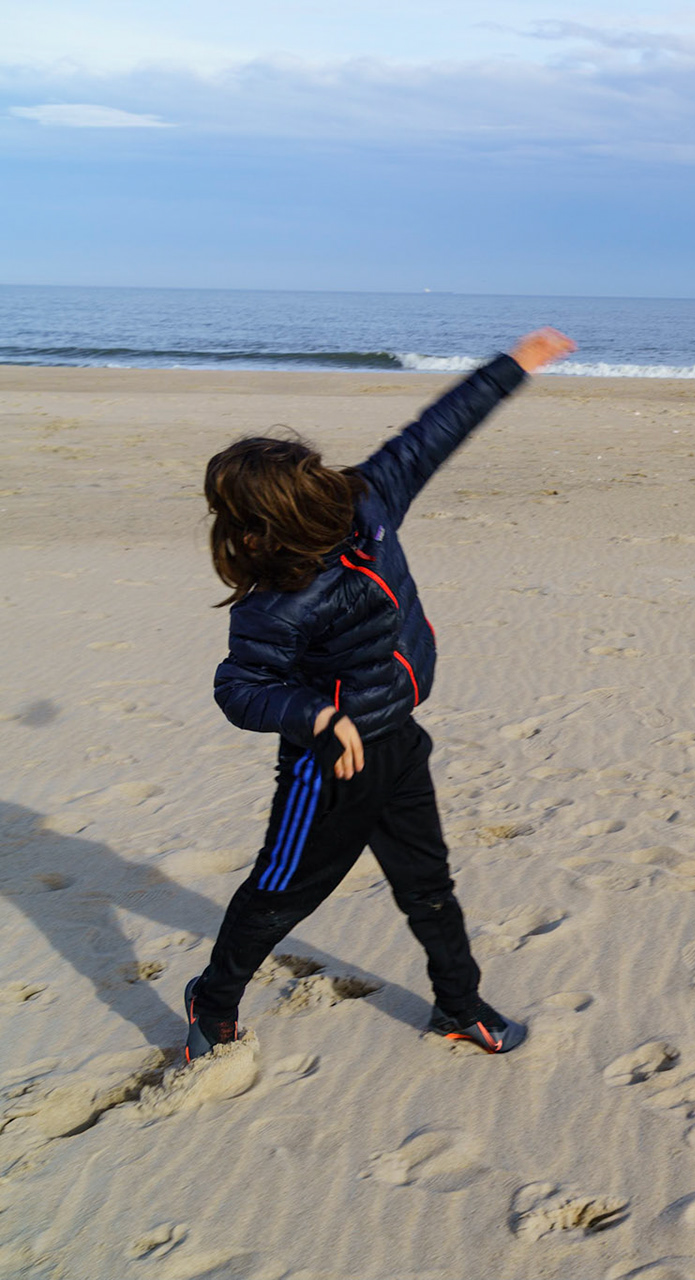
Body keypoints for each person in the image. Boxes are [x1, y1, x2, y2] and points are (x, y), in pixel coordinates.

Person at [184, 327, 577, 1061]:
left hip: (397, 738)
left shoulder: (367, 499)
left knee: (428, 881)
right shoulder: (277, 600)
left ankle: (460, 1005)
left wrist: (512, 366)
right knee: (280, 893)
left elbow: (436, 429)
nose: (332, 479)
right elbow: (239, 687)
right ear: (285, 517)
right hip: (328, 765)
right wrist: (316, 716)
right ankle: (212, 1003)